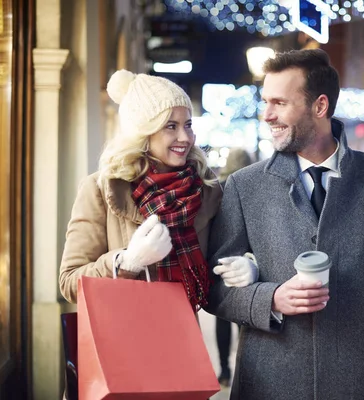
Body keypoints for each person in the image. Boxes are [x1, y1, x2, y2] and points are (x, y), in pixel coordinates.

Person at [206, 49, 364, 399]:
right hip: (267, 387)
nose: (267, 115)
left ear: (320, 106)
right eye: (265, 102)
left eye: (279, 103)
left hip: (362, 387)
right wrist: (270, 298)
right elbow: (210, 290)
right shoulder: (242, 186)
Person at [59, 70, 257, 310]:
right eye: (170, 126)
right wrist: (127, 262)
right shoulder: (101, 189)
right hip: (122, 336)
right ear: (143, 132)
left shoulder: (206, 189)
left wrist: (247, 266)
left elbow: (215, 269)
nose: (185, 137)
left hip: (183, 332)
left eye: (188, 125)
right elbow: (70, 283)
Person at [214, 148, 253, 387]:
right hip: (245, 263)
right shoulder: (251, 186)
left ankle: (224, 370)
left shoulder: (218, 187)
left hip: (220, 263)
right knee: (243, 320)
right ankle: (242, 366)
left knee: (222, 321)